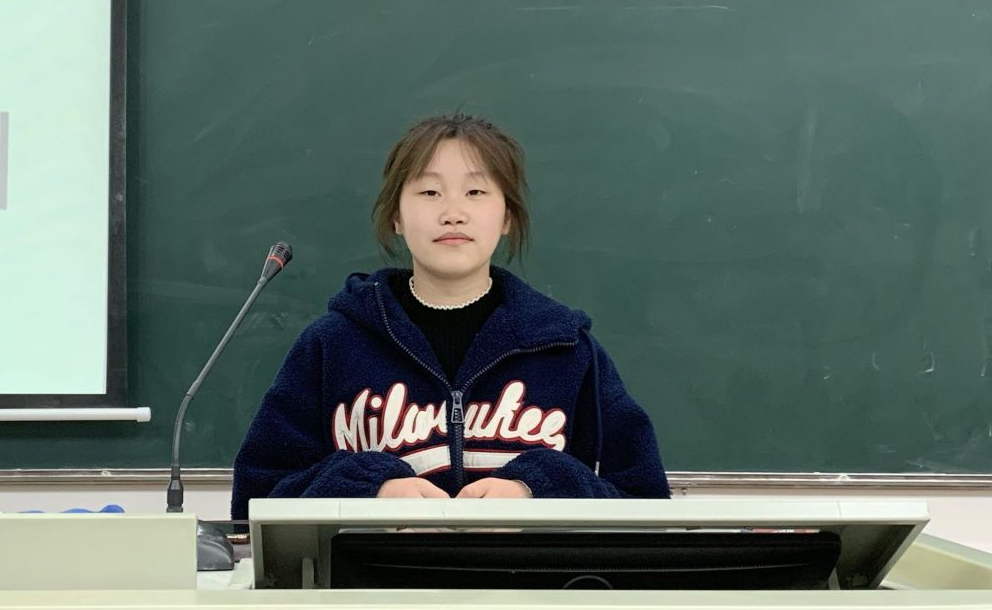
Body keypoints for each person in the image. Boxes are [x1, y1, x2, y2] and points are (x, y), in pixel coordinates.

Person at [231, 113, 669, 519]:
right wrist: (370, 491)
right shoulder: (331, 345)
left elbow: (645, 504)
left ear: (507, 216)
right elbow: (256, 501)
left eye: (476, 192)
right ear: (396, 216)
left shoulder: (568, 350)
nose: (453, 213)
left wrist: (535, 491)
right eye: (429, 192)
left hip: (528, 579)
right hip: (374, 578)